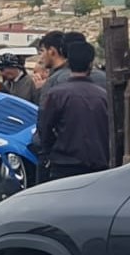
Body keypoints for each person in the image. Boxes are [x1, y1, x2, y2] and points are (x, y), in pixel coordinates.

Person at [35, 37, 112, 181]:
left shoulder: (56, 94)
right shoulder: (103, 96)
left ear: (68, 62)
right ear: (90, 64)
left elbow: (44, 129)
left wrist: (48, 152)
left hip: (64, 165)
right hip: (97, 165)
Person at [36, 31, 107, 97]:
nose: (40, 57)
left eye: (42, 51)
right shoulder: (102, 77)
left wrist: (41, 90)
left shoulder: (58, 80)